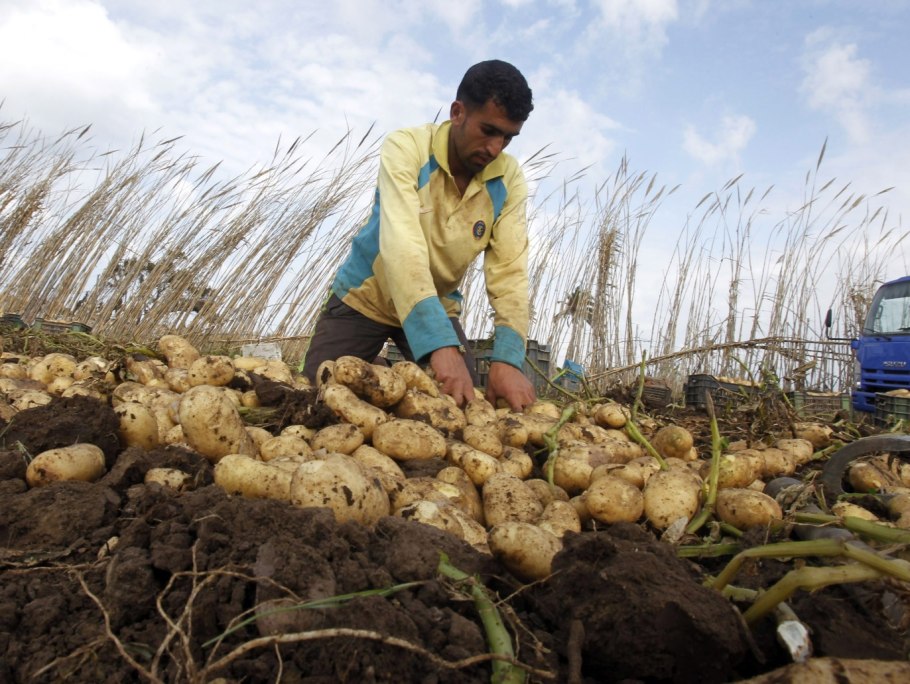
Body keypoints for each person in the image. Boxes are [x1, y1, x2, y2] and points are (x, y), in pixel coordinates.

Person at [303, 59, 536, 411]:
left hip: (438, 305)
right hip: (367, 298)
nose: (495, 148)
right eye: (488, 130)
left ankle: (386, 371)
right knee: (316, 394)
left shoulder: (508, 179)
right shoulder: (406, 147)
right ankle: (379, 367)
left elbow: (510, 271)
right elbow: (402, 246)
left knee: (460, 408)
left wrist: (508, 358)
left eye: (507, 138)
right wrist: (439, 344)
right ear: (458, 112)